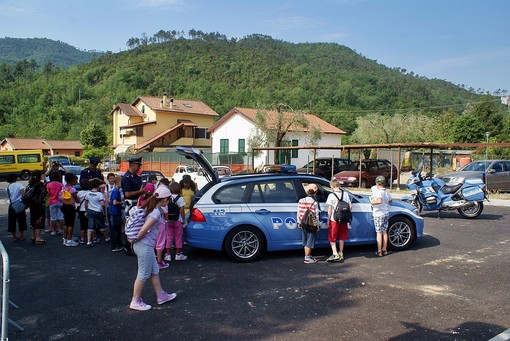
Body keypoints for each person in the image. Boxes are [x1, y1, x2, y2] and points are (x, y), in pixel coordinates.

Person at [129, 185, 177, 311]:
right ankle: (135, 300)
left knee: (154, 270)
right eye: (168, 199)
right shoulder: (155, 212)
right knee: (143, 274)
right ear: (164, 200)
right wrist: (136, 239)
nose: (169, 201)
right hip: (144, 246)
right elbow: (145, 229)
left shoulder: (152, 208)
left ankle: (161, 295)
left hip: (145, 246)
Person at [121, 157, 148, 255]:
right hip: (130, 203)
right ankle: (128, 248)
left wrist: (144, 194)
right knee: (130, 225)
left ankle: (136, 246)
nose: (139, 168)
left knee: (138, 225)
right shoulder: (126, 177)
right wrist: (140, 191)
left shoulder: (137, 177)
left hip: (138, 203)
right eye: (138, 165)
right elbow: (127, 194)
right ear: (132, 165)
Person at [326, 179, 352, 262]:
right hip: (344, 219)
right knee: (342, 236)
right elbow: (350, 206)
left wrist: (328, 220)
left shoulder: (331, 195)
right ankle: (341, 253)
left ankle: (335, 253)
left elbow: (330, 209)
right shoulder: (346, 194)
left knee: (332, 236)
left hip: (334, 219)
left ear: (332, 186)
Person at [297, 183, 321, 264]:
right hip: (311, 225)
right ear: (315, 192)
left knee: (305, 241)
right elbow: (316, 215)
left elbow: (299, 213)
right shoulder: (315, 203)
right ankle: (307, 258)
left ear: (307, 192)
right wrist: (318, 225)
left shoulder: (301, 200)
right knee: (310, 242)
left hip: (303, 223)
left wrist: (299, 222)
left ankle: (307, 255)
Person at [370, 175, 393, 257]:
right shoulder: (386, 192)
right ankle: (385, 249)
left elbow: (379, 201)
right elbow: (390, 201)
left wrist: (372, 202)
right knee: (384, 232)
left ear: (378, 183)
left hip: (378, 214)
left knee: (379, 233)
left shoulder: (379, 192)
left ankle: (379, 251)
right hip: (385, 213)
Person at [85, 178, 110, 248]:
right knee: (102, 225)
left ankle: (89, 241)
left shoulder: (88, 193)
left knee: (90, 226)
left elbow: (86, 203)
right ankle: (106, 238)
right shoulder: (99, 194)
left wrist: (87, 210)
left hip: (90, 210)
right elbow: (102, 204)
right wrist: (103, 211)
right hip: (98, 211)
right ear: (98, 186)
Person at [166, 182, 187, 261]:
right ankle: (178, 254)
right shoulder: (180, 198)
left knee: (169, 237)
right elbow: (182, 210)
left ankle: (168, 255)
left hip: (168, 220)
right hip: (178, 220)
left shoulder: (168, 197)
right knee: (178, 237)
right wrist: (183, 219)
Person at [25, 170, 47, 244]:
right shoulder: (40, 185)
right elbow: (44, 193)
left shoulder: (30, 184)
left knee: (33, 219)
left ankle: (33, 236)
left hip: (31, 204)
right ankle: (38, 237)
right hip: (39, 205)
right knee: (39, 219)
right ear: (39, 176)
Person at [6, 174, 28, 241]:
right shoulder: (19, 185)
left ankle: (14, 236)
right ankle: (21, 236)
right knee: (21, 220)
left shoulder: (8, 187)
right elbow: (23, 194)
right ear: (15, 179)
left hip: (12, 205)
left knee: (12, 221)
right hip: (19, 204)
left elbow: (9, 196)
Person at [61, 173, 79, 247]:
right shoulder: (72, 189)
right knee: (71, 224)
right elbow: (76, 199)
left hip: (64, 206)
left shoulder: (64, 187)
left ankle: (65, 238)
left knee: (66, 223)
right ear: (72, 180)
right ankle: (69, 240)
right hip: (71, 207)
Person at [46, 170, 64, 236]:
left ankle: (54, 230)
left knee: (53, 217)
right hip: (60, 201)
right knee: (61, 217)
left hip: (52, 201)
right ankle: (62, 230)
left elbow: (47, 193)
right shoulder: (60, 184)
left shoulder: (49, 184)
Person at [109, 176, 125, 252]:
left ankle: (117, 244)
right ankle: (115, 245)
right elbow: (114, 202)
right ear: (118, 183)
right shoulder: (116, 191)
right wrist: (122, 203)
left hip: (115, 212)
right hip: (115, 212)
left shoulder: (115, 190)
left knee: (116, 229)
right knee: (116, 230)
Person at [76, 179, 90, 244]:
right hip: (89, 209)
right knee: (89, 224)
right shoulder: (90, 192)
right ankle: (89, 238)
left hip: (81, 210)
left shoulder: (79, 193)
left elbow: (78, 201)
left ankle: (82, 238)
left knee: (82, 224)